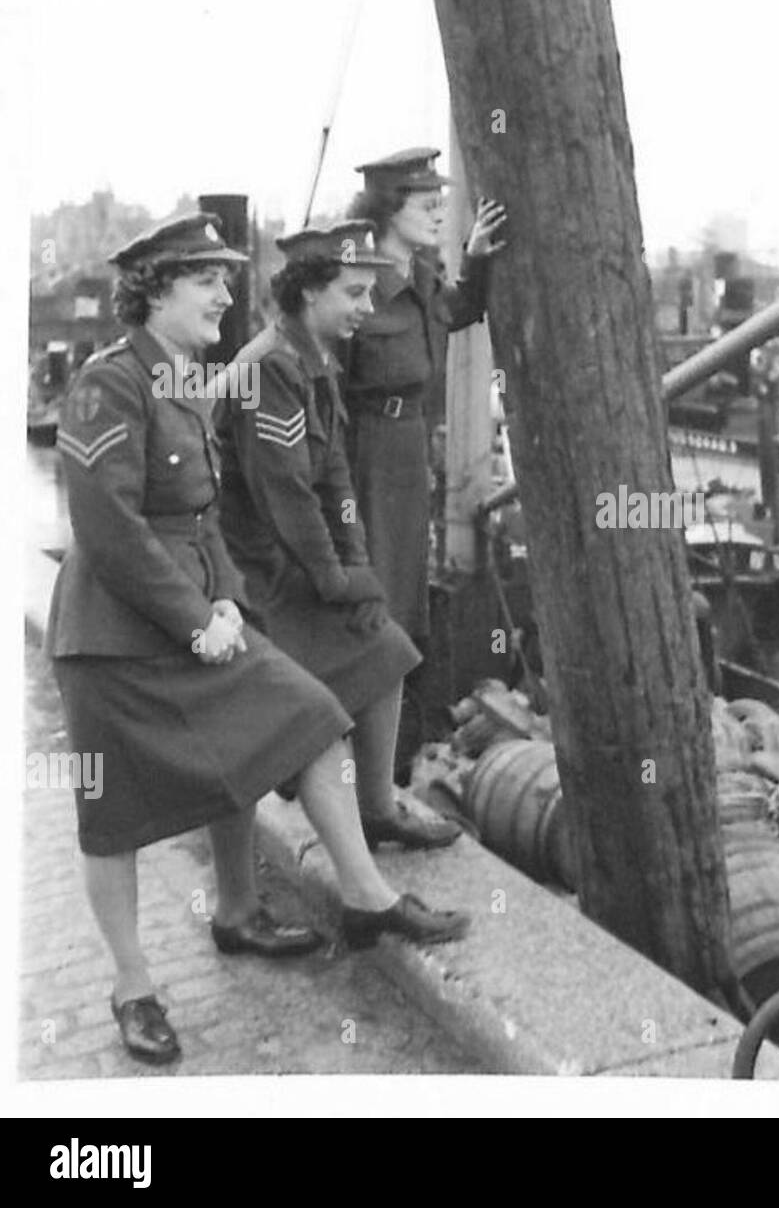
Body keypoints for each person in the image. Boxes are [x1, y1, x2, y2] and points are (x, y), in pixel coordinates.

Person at [46, 215, 471, 1067]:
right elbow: (108, 527)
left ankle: (364, 896)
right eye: (206, 279)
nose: (225, 294)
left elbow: (206, 518)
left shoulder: (189, 376)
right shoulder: (110, 384)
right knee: (113, 821)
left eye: (225, 278)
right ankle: (134, 989)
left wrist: (229, 602)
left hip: (201, 620)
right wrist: (196, 618)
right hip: (111, 644)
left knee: (312, 715)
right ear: (156, 289)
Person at [216, 220, 455, 851]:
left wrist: (357, 562)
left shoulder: (312, 361)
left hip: (292, 563)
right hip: (255, 577)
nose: (367, 308)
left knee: (390, 648)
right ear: (308, 293)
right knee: (364, 653)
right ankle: (314, 776)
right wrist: (337, 580)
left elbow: (337, 485)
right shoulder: (268, 369)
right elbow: (288, 498)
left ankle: (376, 806)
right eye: (354, 293)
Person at [340, 148, 506, 765]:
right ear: (387, 207)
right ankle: (349, 758)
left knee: (404, 606)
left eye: (442, 202)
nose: (441, 212)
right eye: (427, 204)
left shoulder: (422, 274)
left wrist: (479, 255)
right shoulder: (355, 282)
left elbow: (460, 309)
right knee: (369, 602)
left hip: (409, 453)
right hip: (366, 454)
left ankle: (391, 761)